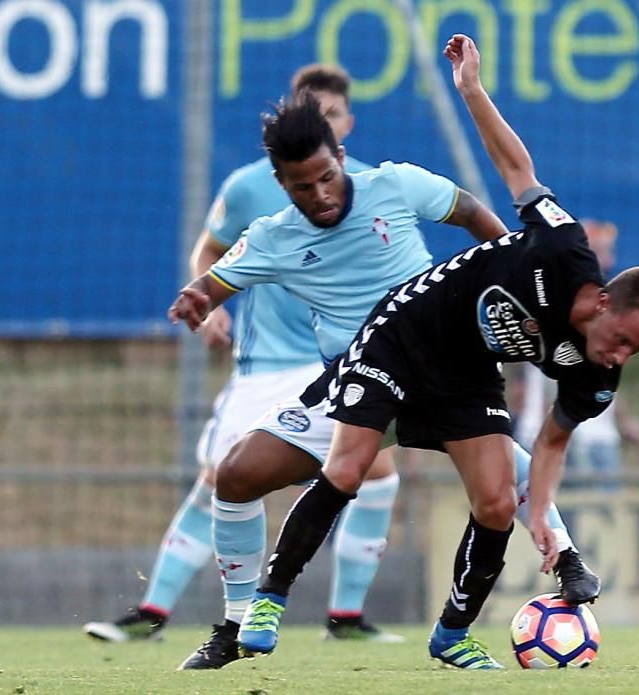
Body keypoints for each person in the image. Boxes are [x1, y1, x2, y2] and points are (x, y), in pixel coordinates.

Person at [218, 33, 639, 670]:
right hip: (404, 332)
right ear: (603, 302)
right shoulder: (562, 249)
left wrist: (541, 516)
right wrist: (472, 90)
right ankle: (269, 597)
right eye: (625, 340)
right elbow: (517, 169)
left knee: (496, 500)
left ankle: (452, 635)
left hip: (464, 374)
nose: (622, 356)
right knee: (348, 468)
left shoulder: (596, 375)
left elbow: (548, 444)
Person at [167, 87, 604, 668]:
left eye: (327, 176)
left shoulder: (393, 184)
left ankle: (551, 571)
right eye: (303, 186)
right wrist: (200, 301)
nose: (321, 194)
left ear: (341, 157)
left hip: (442, 361)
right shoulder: (273, 237)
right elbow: (215, 282)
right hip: (360, 378)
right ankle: (236, 624)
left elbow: (474, 214)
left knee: (500, 487)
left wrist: (508, 274)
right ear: (282, 183)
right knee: (238, 474)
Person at [84, 65, 404, 661]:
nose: (319, 124)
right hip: (264, 367)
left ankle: (346, 616)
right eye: (308, 111)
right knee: (221, 481)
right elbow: (208, 251)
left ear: (345, 128)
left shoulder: (372, 187)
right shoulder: (253, 186)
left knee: (379, 478)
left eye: (330, 115)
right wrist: (210, 302)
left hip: (335, 369)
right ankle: (153, 611)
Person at [518, 220, 639, 489]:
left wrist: (624, 420)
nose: (610, 259)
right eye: (602, 251)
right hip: (552, 435)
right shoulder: (551, 296)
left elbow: (603, 377)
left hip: (597, 439)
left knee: (603, 522)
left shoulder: (608, 306)